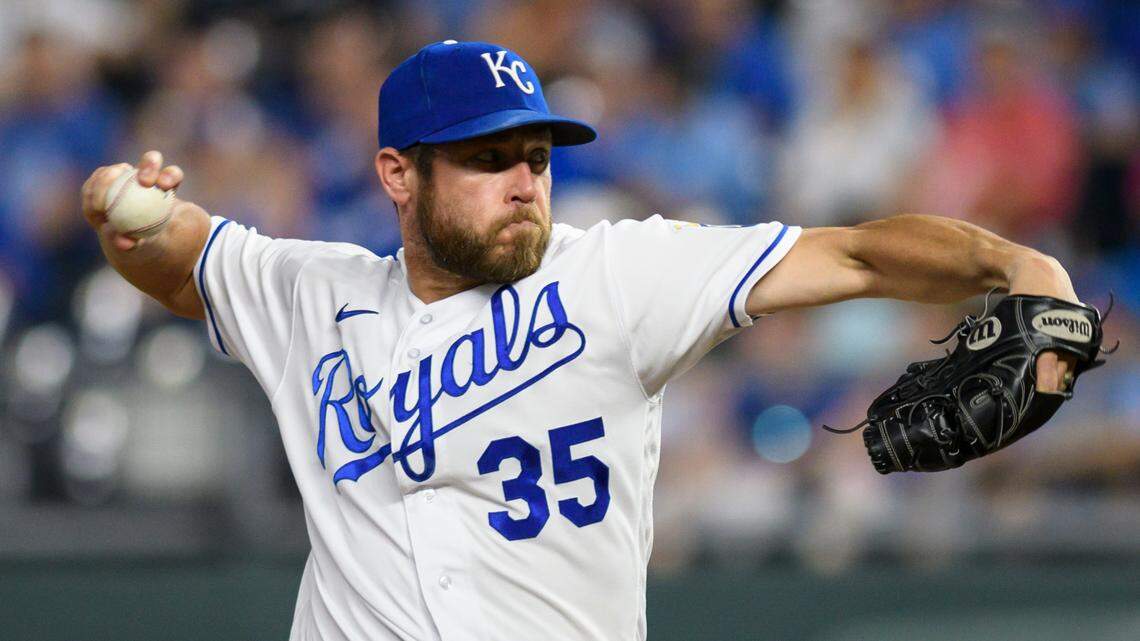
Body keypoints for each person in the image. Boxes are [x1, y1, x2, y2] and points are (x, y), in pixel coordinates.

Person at [80, 41, 1080, 641]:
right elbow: (178, 260)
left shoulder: (616, 275)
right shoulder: (312, 293)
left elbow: (855, 255)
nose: (527, 180)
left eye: (537, 155)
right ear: (397, 173)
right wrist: (122, 219)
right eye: (488, 158)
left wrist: (1017, 267)